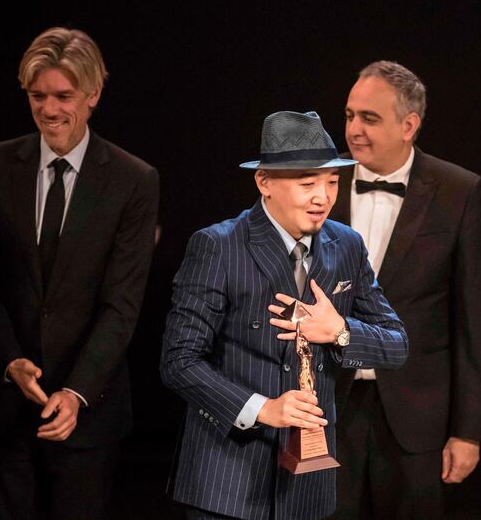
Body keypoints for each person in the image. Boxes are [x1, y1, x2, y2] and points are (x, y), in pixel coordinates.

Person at [160, 110, 408, 519]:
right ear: (265, 183)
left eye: (331, 182)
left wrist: (341, 331)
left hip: (307, 485)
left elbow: (397, 345)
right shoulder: (218, 246)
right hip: (227, 482)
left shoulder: (346, 246)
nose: (323, 197)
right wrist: (261, 408)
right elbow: (179, 362)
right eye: (307, 183)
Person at [0, 27, 159, 519]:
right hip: (4, 413)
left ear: (93, 94)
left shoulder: (133, 180)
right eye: (38, 96)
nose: (49, 110)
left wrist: (76, 392)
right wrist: (10, 359)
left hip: (89, 418)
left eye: (63, 96)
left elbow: (122, 302)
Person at [330, 61, 481, 519]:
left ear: (409, 125)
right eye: (349, 116)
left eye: (369, 118)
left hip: (416, 418)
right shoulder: (320, 183)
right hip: (326, 408)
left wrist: (467, 431)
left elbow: (475, 323)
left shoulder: (459, 191)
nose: (354, 130)